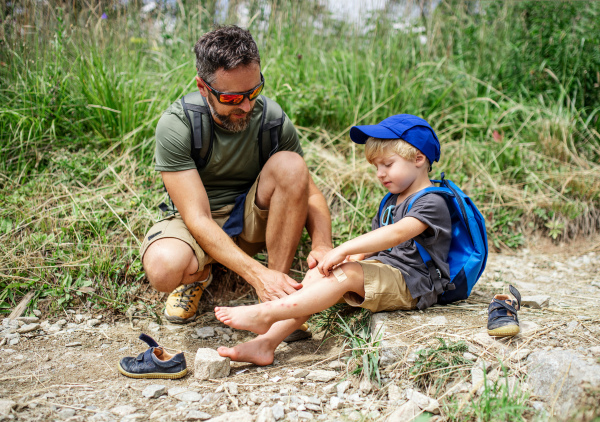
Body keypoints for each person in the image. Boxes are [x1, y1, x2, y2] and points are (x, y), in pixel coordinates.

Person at [140, 26, 332, 342]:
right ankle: (199, 278)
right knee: (163, 268)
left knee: (291, 165)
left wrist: (322, 243)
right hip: (198, 224)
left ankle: (276, 298)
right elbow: (197, 219)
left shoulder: (271, 119)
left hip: (251, 222)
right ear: (203, 87)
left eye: (253, 92)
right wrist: (256, 274)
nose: (246, 106)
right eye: (231, 97)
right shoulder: (178, 124)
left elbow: (308, 191)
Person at [214, 114, 452, 365]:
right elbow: (375, 250)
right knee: (324, 273)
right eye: (376, 167)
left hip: (415, 283)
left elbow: (396, 234)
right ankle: (266, 343)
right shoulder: (392, 201)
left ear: (419, 158)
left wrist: (343, 250)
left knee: (345, 273)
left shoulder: (433, 201)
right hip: (389, 272)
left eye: (388, 164)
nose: (380, 173)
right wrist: (344, 259)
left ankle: (266, 313)